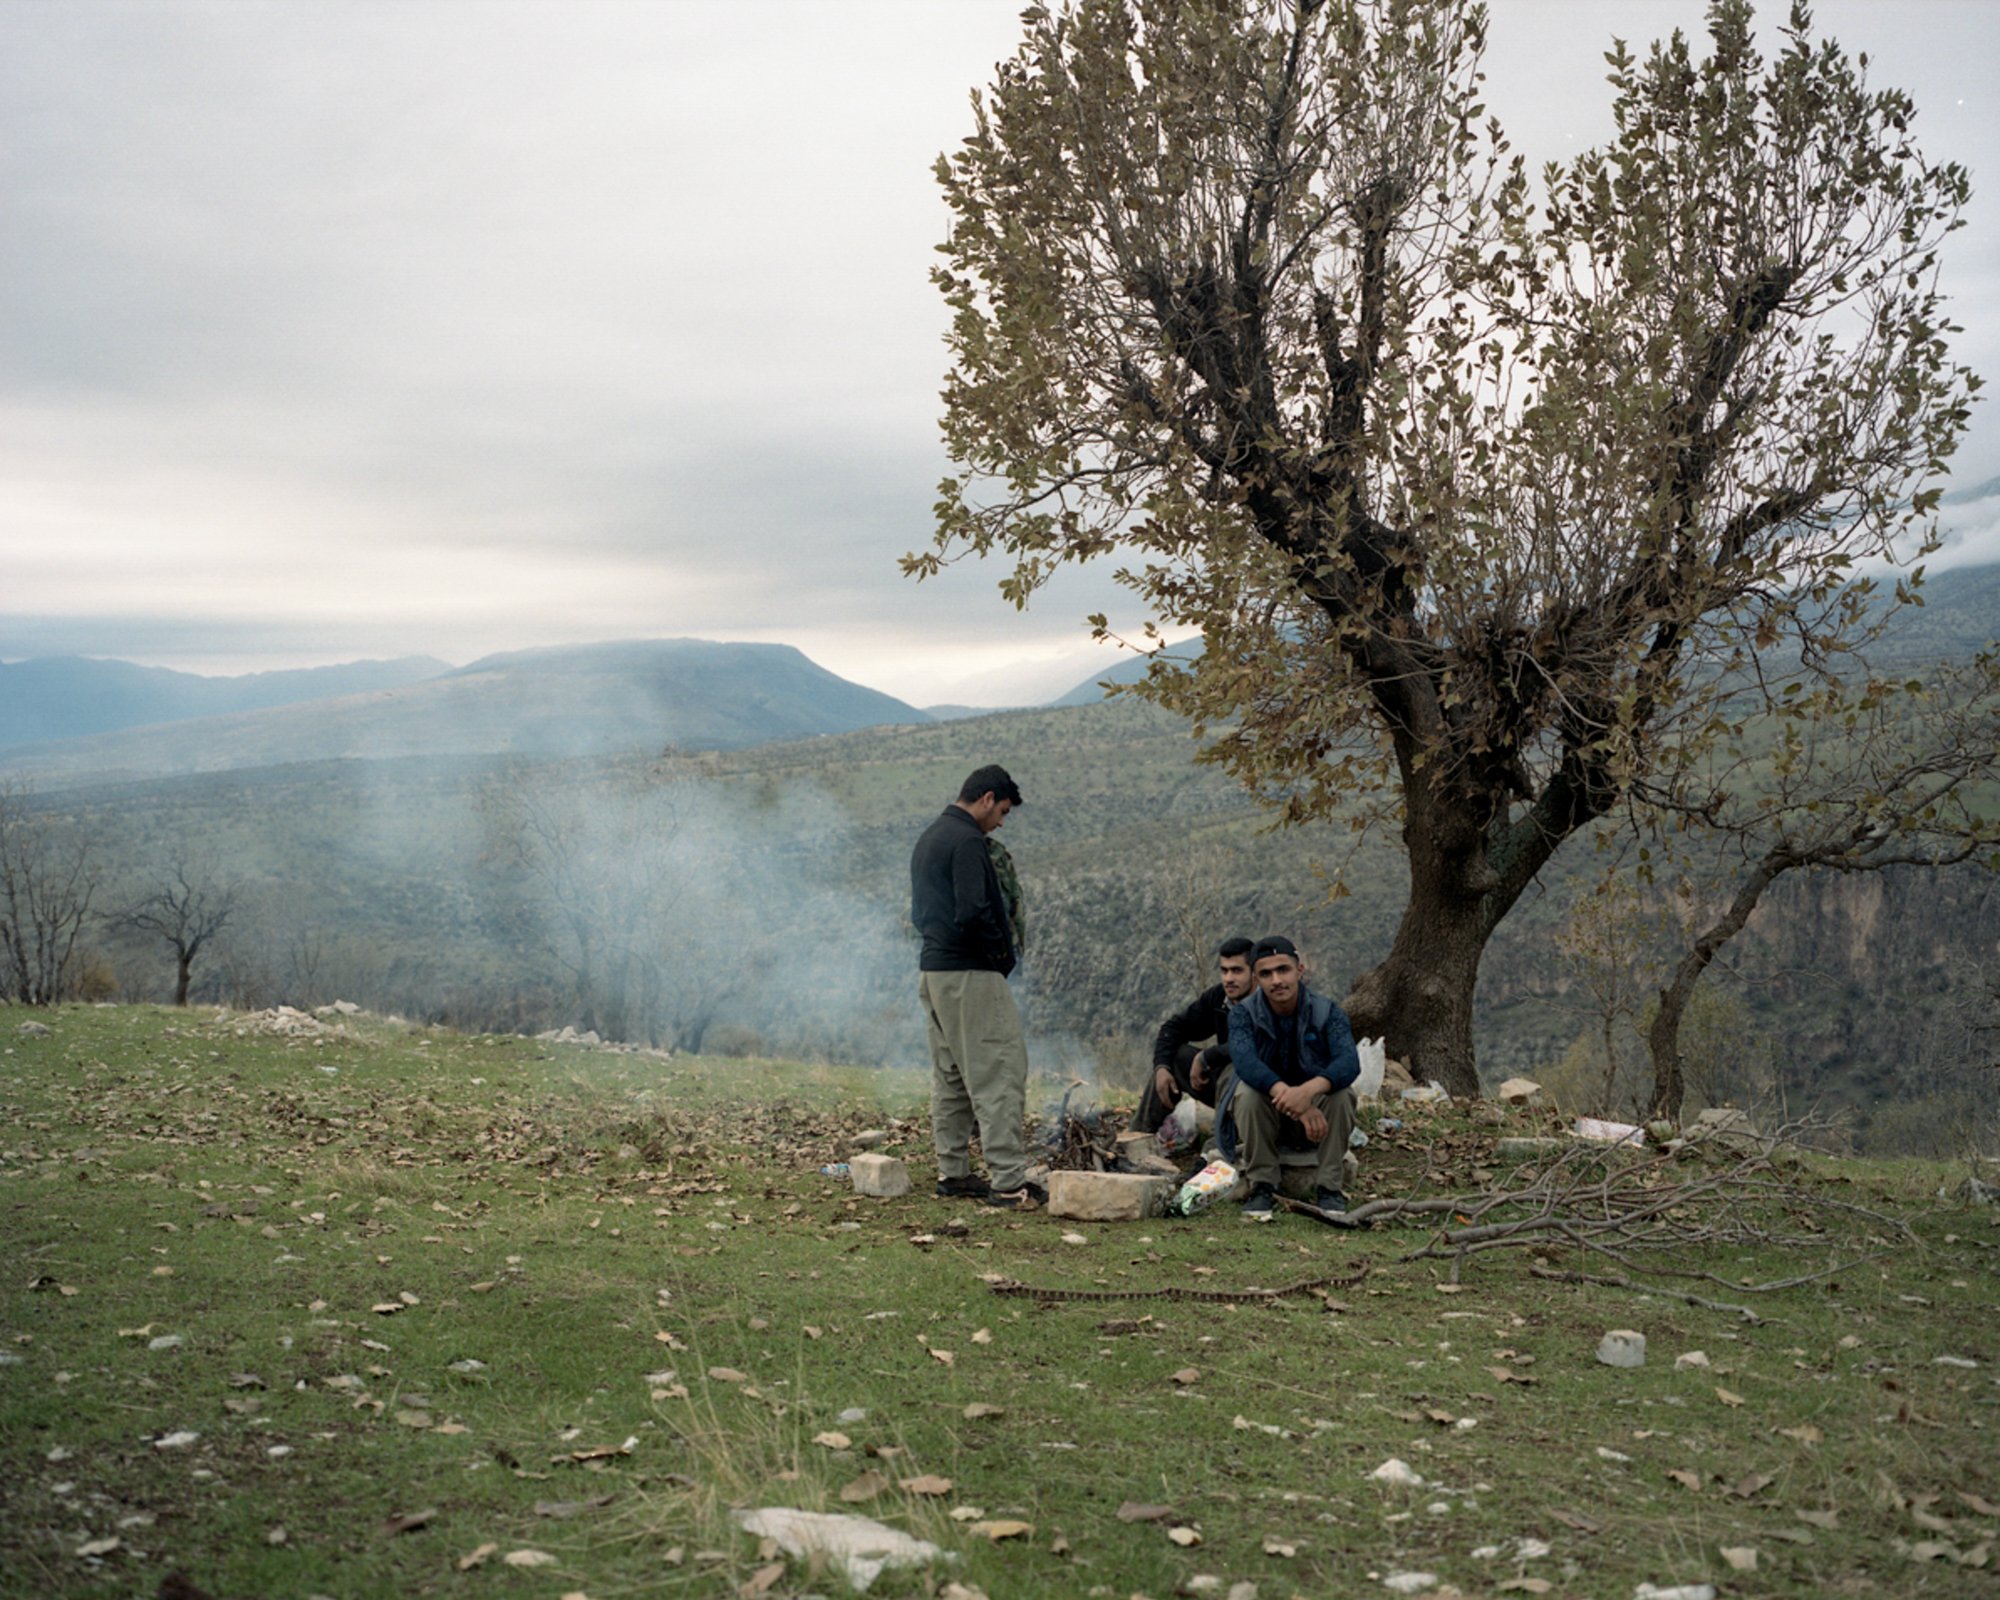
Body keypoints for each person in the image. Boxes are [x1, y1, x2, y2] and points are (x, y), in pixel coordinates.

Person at [910, 764, 1042, 1209]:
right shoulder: (967, 840)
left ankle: (953, 1173)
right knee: (998, 1072)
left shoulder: (931, 836)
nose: (1002, 821)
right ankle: (1008, 1182)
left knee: (950, 1077)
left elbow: (918, 915)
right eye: (1002, 810)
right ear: (986, 798)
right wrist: (1001, 956)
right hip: (970, 974)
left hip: (933, 972)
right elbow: (973, 910)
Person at [1220, 935, 1359, 1219]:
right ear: (1257, 980)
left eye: (1283, 970)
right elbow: (1245, 1062)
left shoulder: (1327, 1012)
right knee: (1246, 1094)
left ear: (1300, 970)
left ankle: (1329, 1188)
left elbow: (1349, 1062)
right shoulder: (1243, 1016)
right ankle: (1262, 1186)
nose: (1276, 981)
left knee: (1343, 1094)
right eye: (1266, 974)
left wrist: (1307, 1092)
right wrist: (1292, 1097)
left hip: (1315, 1121)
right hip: (1270, 1115)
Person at [1132, 936, 1256, 1135]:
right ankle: (1138, 1137)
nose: (1229, 978)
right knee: (1176, 1057)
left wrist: (1206, 1057)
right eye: (1224, 971)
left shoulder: (1269, 1002)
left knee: (1238, 1068)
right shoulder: (1219, 998)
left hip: (1258, 1091)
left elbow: (1253, 1045)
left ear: (1254, 972)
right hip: (1220, 1083)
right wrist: (1161, 1067)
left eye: (1237, 971)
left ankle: (1220, 1147)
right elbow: (1174, 1027)